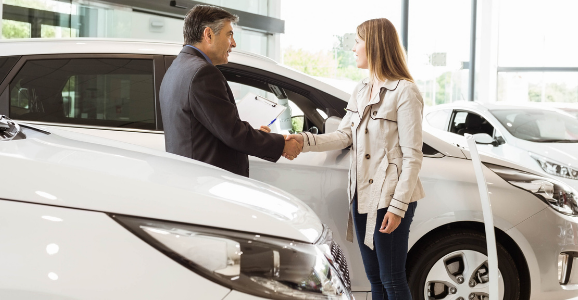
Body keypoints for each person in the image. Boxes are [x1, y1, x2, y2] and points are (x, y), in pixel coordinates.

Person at [285, 18, 424, 300]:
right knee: (374, 278)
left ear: (374, 45)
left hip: (390, 198)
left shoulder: (405, 91)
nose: (354, 49)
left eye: (358, 42)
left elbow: (413, 156)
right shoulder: (361, 89)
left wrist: (397, 208)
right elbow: (344, 135)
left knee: (392, 278)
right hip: (361, 196)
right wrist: (303, 141)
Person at [159, 5, 301, 177]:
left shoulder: (177, 68)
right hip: (207, 182)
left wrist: (252, 133)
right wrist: (281, 144)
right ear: (208, 35)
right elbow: (233, 134)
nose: (233, 43)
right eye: (230, 35)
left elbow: (210, 128)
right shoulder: (203, 73)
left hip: (190, 177)